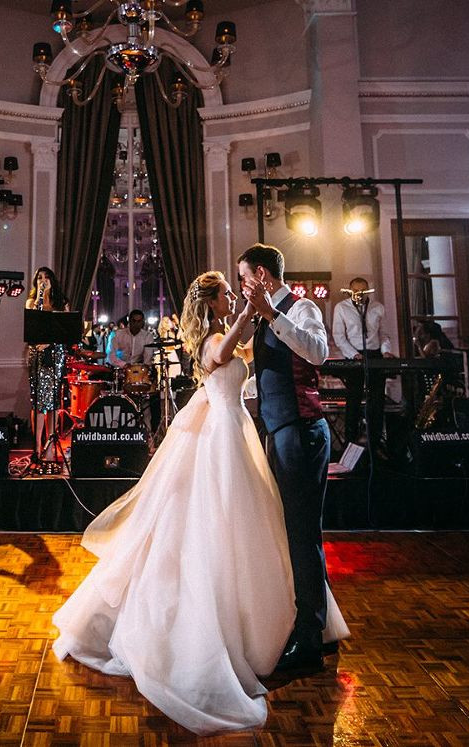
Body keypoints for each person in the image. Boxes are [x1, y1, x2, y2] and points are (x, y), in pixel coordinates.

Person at [52, 270, 348, 734]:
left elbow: (252, 348)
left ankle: (288, 620)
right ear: (211, 303)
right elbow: (227, 351)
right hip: (220, 440)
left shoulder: (227, 330)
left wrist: (261, 316)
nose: (232, 295)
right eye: (226, 293)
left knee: (253, 525)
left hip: (236, 432)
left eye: (235, 290)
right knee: (218, 523)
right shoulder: (213, 338)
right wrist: (251, 310)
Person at [238, 243, 337, 672]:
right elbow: (271, 374)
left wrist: (272, 316)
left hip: (303, 432)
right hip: (280, 431)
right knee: (294, 530)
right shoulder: (264, 318)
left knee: (302, 532)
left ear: (261, 275)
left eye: (244, 278)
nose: (242, 286)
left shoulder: (300, 309)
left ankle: (311, 639)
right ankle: (320, 625)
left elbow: (318, 353)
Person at [331, 278, 391, 446]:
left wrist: (386, 352)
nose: (359, 294)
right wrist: (353, 354)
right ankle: (351, 442)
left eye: (363, 291)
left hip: (375, 355)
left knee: (377, 400)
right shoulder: (341, 308)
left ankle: (376, 441)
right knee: (354, 399)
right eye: (356, 291)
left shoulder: (378, 308)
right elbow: (339, 336)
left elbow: (384, 334)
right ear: (350, 291)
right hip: (354, 356)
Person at [26, 267, 69, 462]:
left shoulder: (61, 302)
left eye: (46, 277)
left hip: (55, 353)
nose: (43, 280)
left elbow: (66, 330)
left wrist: (51, 342)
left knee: (52, 402)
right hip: (37, 354)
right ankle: (37, 447)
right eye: (39, 278)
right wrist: (40, 297)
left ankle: (50, 445)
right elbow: (32, 323)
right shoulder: (31, 302)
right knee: (39, 402)